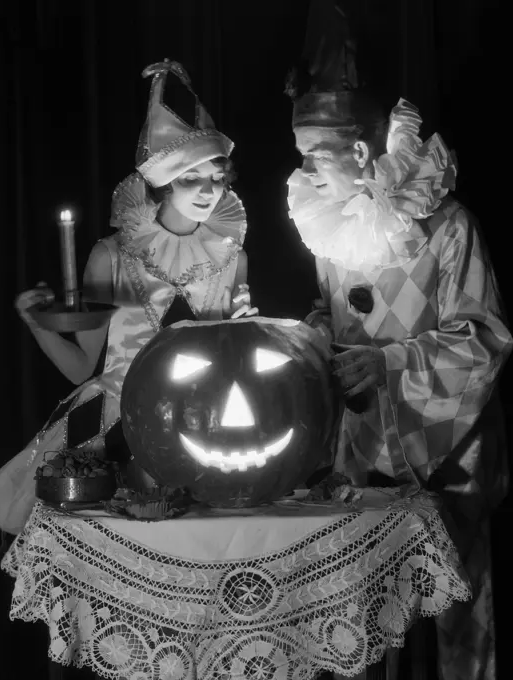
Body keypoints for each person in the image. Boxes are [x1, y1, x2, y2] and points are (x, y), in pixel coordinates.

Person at [284, 7, 512, 680]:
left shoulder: (447, 229)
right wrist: (311, 334)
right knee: (360, 625)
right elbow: (338, 315)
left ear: (360, 154)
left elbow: (484, 340)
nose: (304, 175)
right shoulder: (330, 228)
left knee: (456, 620)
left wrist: (388, 363)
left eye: (313, 159)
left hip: (444, 456)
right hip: (361, 459)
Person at [0, 59, 257, 537]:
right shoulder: (111, 255)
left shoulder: (233, 255)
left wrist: (247, 330)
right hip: (113, 415)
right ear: (163, 182)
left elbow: (234, 355)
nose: (209, 191)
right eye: (192, 178)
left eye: (216, 178)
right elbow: (81, 368)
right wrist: (38, 321)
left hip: (202, 420)